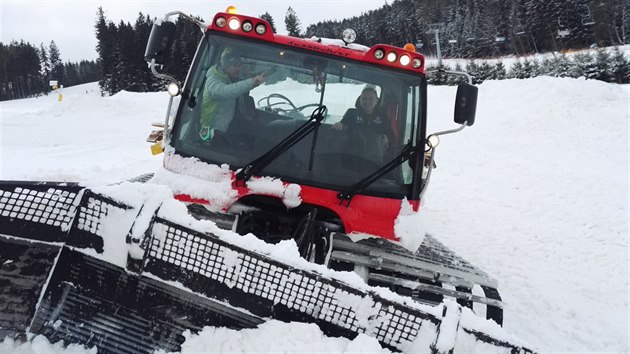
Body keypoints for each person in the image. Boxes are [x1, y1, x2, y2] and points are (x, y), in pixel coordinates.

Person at [200, 48, 265, 143]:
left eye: (239, 66)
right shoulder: (213, 79)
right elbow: (223, 92)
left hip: (227, 129)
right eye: (235, 65)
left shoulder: (229, 79)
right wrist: (252, 82)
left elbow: (240, 85)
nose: (238, 69)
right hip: (211, 133)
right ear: (226, 65)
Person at [332, 85, 393, 162]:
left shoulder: (383, 117)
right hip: (352, 156)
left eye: (371, 99)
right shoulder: (351, 113)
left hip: (374, 160)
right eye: (364, 98)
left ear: (376, 101)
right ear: (359, 100)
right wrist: (338, 125)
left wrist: (387, 139)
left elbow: (390, 136)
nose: (367, 101)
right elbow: (342, 125)